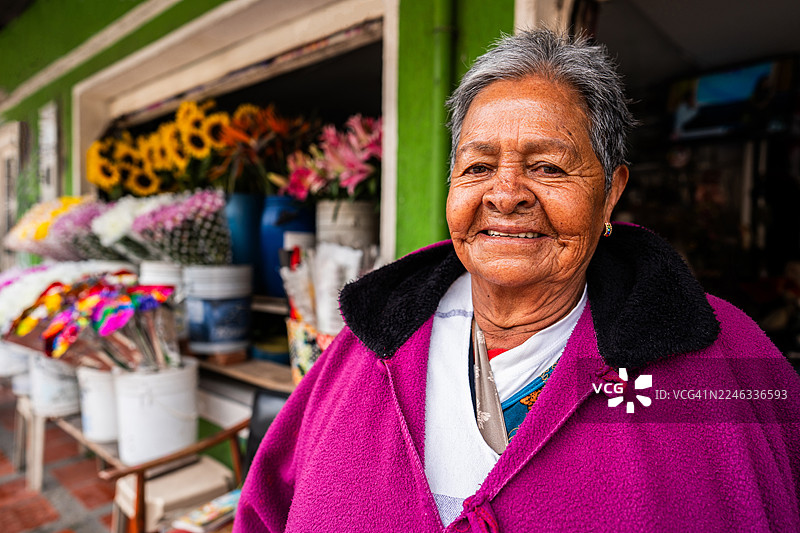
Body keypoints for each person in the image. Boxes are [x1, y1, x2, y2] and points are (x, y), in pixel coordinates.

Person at [234, 29, 800, 532]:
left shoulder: (721, 357)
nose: (504, 195)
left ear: (612, 191)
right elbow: (263, 512)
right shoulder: (370, 344)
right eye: (477, 167)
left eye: (548, 167)